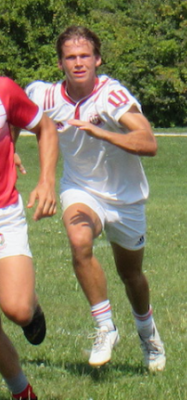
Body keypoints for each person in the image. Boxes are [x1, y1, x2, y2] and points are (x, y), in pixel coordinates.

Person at [25, 26, 166, 371]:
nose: (78, 63)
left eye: (84, 56)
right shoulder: (44, 95)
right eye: (70, 57)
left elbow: (148, 142)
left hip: (125, 198)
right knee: (79, 239)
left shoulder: (111, 96)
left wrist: (102, 131)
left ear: (97, 59)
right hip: (81, 189)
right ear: (60, 63)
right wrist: (11, 148)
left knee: (131, 275)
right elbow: (16, 111)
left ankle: (147, 332)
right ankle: (105, 327)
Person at [1, 76, 58, 399]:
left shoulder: (4, 91)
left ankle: (32, 307)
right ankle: (22, 391)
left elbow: (45, 128)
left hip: (4, 213)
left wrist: (47, 180)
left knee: (18, 310)